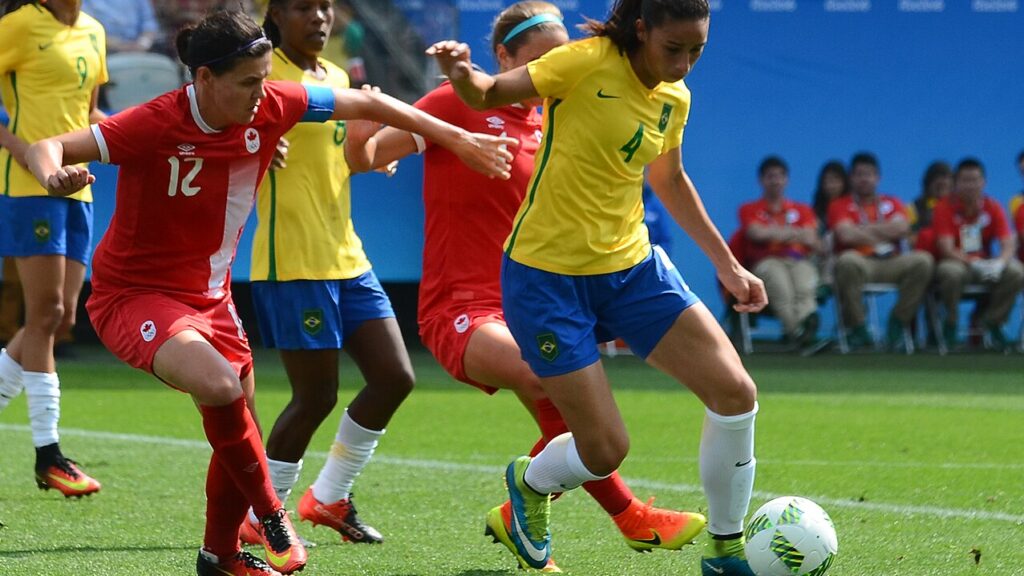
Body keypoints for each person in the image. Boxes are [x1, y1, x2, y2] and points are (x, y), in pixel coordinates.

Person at [24, 9, 514, 576]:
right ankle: (273, 513)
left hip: (213, 297)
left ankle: (220, 555)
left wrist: (457, 136)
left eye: (264, 78)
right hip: (134, 295)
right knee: (220, 385)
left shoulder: (275, 104)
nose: (263, 94)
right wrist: (53, 175)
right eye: (248, 82)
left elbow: (372, 105)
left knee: (239, 425)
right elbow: (49, 145)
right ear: (204, 79)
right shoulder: (156, 121)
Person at [346, 2, 705, 572]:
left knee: (568, 413)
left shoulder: (562, 117)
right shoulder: (454, 103)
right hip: (461, 309)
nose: (554, 69)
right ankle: (627, 514)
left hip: (533, 303)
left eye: (562, 56)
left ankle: (554, 516)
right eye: (539, 59)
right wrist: (363, 132)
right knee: (552, 382)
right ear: (505, 60)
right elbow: (364, 157)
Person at [427, 1, 768, 574]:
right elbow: (487, 93)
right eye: (673, 49)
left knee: (736, 393)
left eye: (697, 52)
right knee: (605, 449)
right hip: (546, 278)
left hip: (633, 271)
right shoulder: (583, 62)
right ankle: (529, 485)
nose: (684, 65)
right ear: (641, 30)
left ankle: (728, 550)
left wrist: (729, 266)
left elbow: (670, 179)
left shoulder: (674, 97)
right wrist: (463, 74)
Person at [234, 0, 502, 550]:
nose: (320, 17)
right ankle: (262, 514)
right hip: (293, 261)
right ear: (276, 15)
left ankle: (330, 496)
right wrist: (254, 140)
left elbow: (354, 158)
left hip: (348, 258)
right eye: (304, 8)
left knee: (395, 377)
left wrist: (371, 150)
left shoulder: (335, 76)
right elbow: (227, 130)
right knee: (315, 397)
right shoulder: (260, 77)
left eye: (326, 6)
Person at [0, 0, 107, 498]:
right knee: (47, 310)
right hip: (29, 189)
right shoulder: (19, 25)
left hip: (79, 189)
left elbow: (88, 113)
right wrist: (21, 149)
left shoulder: (94, 31)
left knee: (59, 321)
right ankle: (50, 455)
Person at [827, 152, 934, 351]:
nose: (864, 179)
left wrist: (861, 230)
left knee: (923, 261)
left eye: (869, 174)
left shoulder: (893, 203)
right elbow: (845, 235)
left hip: (890, 261)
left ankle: (897, 322)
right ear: (851, 178)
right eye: (859, 174)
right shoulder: (839, 205)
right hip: (861, 262)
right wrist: (884, 230)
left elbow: (903, 228)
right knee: (847, 261)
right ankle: (858, 328)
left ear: (878, 178)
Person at [932, 158, 1023, 350]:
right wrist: (972, 263)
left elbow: (1007, 243)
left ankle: (994, 322)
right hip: (959, 264)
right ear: (956, 183)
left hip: (987, 265)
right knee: (950, 272)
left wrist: (999, 263)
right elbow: (946, 248)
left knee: (1016, 272)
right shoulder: (943, 207)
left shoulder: (992, 206)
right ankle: (951, 323)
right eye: (965, 180)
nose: (970, 185)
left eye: (975, 180)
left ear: (984, 182)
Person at [737, 156, 820, 347]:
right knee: (783, 291)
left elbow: (810, 238)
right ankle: (800, 332)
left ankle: (802, 333)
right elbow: (756, 233)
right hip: (767, 261)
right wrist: (795, 233)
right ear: (761, 180)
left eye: (779, 176)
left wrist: (774, 234)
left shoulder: (803, 209)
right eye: (770, 176)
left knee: (805, 288)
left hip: (799, 260)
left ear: (786, 180)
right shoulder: (749, 209)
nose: (775, 181)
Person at [81, 0, 159, 53]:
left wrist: (143, 44)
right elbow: (88, 30)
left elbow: (149, 24)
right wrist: (120, 46)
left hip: (140, 50)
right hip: (104, 51)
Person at [909, 161, 952, 255]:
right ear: (928, 184)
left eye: (946, 185)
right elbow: (911, 239)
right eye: (938, 184)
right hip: (926, 255)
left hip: (954, 255)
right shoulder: (913, 208)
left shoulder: (960, 208)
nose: (942, 183)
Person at [811, 160, 848, 234]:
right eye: (826, 180)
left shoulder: (854, 206)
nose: (830, 185)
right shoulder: (815, 212)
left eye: (835, 180)